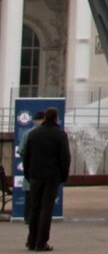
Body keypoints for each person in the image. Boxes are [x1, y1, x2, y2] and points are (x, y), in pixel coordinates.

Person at [22, 105, 70, 252]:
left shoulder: (33, 134)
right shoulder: (60, 135)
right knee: (46, 209)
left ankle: (31, 240)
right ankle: (41, 243)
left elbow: (26, 157)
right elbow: (65, 158)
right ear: (56, 118)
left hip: (35, 176)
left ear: (44, 118)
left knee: (35, 208)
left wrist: (27, 174)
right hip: (51, 177)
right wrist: (63, 176)